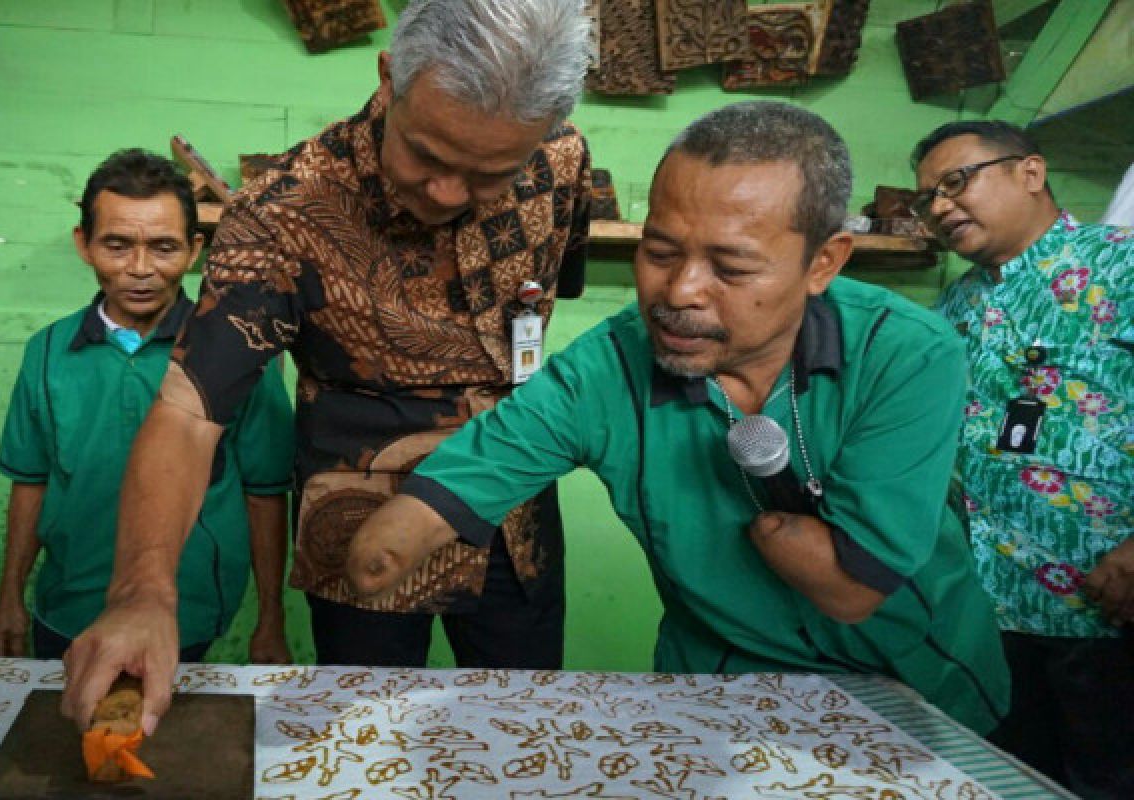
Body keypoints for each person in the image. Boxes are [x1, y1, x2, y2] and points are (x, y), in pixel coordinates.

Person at [346, 102, 1010, 735]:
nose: (680, 291)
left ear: (824, 262)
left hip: (913, 687)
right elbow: (460, 483)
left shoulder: (907, 352)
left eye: (732, 265)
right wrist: (376, 556)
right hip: (719, 687)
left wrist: (778, 532)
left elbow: (850, 590)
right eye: (660, 253)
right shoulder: (606, 367)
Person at [61, 0, 593, 733]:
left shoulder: (562, 161)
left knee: (525, 727)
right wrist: (142, 594)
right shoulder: (283, 211)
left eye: (488, 175)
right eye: (428, 156)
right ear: (388, 77)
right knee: (362, 738)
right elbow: (189, 414)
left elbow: (536, 312)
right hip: (358, 520)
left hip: (513, 515)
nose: (446, 195)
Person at [0, 149, 294, 664]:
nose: (141, 269)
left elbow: (264, 495)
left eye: (164, 247)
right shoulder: (46, 353)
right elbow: (31, 482)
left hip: (188, 612)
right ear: (84, 244)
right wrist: (8, 596)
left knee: (159, 737)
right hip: (68, 605)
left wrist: (271, 622)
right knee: (71, 739)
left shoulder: (239, 356)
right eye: (118, 245)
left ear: (195, 250)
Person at [913, 120, 1133, 798]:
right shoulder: (958, 305)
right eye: (928, 200)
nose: (942, 207)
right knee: (1010, 783)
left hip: (1105, 608)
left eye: (955, 183)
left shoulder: (1119, 266)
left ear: (1030, 173)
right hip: (991, 613)